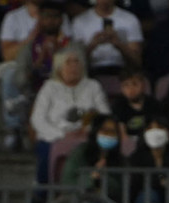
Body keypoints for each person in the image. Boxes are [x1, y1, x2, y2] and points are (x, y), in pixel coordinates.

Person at [30, 45, 111, 185]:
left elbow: (105, 114)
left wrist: (88, 130)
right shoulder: (49, 87)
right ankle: (42, 193)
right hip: (55, 137)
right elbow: (37, 119)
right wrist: (62, 134)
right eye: (69, 62)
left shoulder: (93, 86)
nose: (74, 66)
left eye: (77, 62)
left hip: (86, 136)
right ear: (59, 67)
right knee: (46, 151)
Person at [1, 0, 72, 151]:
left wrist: (56, 54)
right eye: (47, 17)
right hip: (36, 92)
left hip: (64, 92)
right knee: (13, 77)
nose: (51, 21)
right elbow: (21, 79)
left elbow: (74, 74)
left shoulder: (70, 45)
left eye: (55, 17)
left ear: (61, 20)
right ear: (40, 18)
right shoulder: (29, 47)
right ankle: (16, 130)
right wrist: (39, 61)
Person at [70, 0, 144, 76]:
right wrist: (92, 45)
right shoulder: (79, 22)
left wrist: (119, 44)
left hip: (122, 71)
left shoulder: (130, 20)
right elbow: (74, 60)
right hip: (91, 71)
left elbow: (137, 61)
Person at [112, 67, 161, 139]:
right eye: (126, 85)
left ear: (143, 85)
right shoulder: (118, 105)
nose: (131, 89)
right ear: (121, 88)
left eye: (135, 84)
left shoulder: (153, 104)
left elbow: (155, 127)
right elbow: (122, 134)